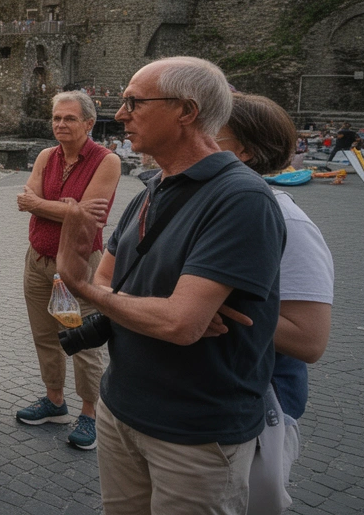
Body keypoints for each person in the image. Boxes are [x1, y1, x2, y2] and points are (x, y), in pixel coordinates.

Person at [53, 57, 285, 515]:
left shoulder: (241, 199)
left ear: (186, 111)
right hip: (120, 409)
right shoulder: (151, 190)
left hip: (194, 434)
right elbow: (111, 279)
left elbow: (178, 323)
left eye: (134, 102)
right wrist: (162, 309)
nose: (120, 114)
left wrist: (85, 288)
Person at [217, 94, 333, 515]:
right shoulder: (202, 207)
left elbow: (309, 340)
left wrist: (208, 306)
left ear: (244, 151)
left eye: (209, 133)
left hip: (256, 409)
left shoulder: (289, 222)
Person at [13, 91, 121, 450]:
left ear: (88, 123)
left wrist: (42, 205)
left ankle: (90, 413)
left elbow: (90, 216)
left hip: (78, 264)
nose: (60, 124)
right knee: (45, 335)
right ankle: (55, 401)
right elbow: (26, 200)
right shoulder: (47, 156)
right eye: (57, 118)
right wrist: (68, 208)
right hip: (38, 260)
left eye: (69, 118)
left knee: (83, 340)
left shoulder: (107, 161)